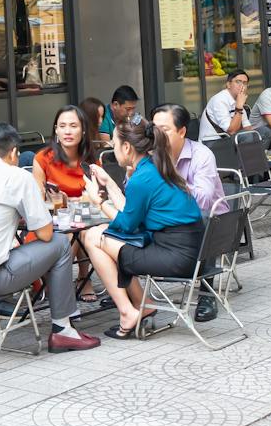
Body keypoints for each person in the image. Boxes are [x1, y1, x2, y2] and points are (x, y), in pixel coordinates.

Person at [0, 123, 101, 352]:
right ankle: (62, 329)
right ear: (14, 152)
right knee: (59, 244)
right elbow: (45, 234)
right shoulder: (16, 176)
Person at [80, 116, 205, 340]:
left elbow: (127, 225)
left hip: (174, 257)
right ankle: (143, 304)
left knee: (92, 237)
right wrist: (109, 184)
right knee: (100, 234)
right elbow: (131, 213)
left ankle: (128, 312)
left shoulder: (142, 177)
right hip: (192, 251)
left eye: (114, 146)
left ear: (127, 147)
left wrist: (97, 201)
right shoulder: (156, 166)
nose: (113, 150)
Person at [150, 103, 226, 323]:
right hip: (168, 219)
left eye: (164, 130)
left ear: (182, 131)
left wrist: (170, 178)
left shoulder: (202, 155)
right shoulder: (152, 155)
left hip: (209, 221)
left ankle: (206, 294)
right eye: (154, 129)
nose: (157, 136)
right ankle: (129, 295)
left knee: (204, 218)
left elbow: (202, 199)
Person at [33, 105, 96, 200]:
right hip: (53, 213)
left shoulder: (92, 160)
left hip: (87, 213)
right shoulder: (42, 158)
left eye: (73, 126)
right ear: (56, 130)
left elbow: (99, 198)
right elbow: (38, 202)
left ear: (83, 130)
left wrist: (68, 201)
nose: (67, 131)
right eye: (62, 126)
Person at [198, 69, 252, 143]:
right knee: (247, 137)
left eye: (245, 83)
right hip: (211, 141)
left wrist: (254, 136)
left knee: (264, 132)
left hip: (228, 139)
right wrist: (239, 107)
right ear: (228, 85)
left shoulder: (238, 99)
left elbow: (247, 126)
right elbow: (231, 131)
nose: (242, 86)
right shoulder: (219, 100)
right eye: (238, 82)